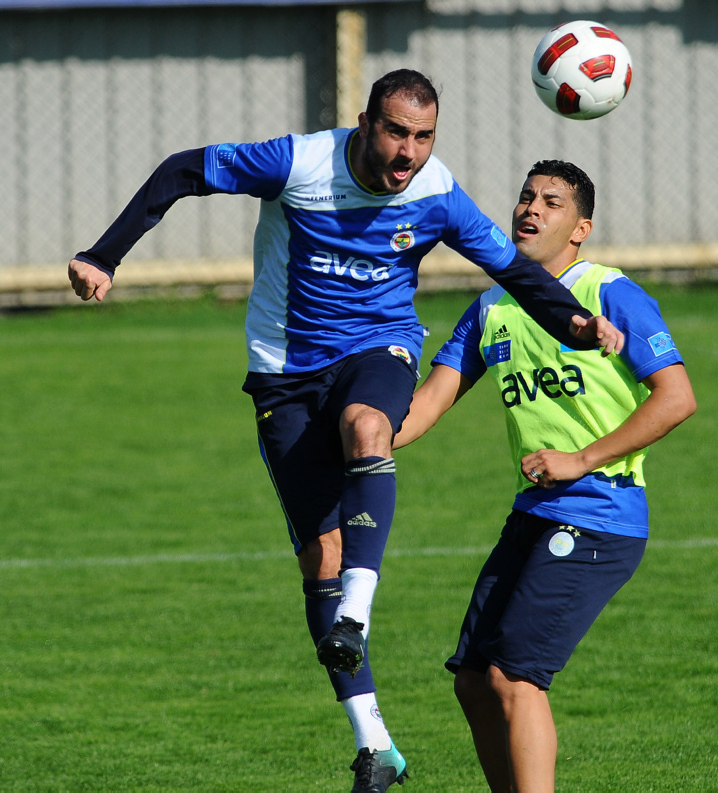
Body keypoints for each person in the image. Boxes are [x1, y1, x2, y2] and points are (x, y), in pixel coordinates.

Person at [66, 71, 622, 792]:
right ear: (364, 123)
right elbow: (182, 170)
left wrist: (572, 321)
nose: (407, 153)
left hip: (378, 349)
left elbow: (512, 269)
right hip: (283, 372)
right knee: (318, 561)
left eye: (423, 137)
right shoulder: (297, 163)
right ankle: (376, 745)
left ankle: (355, 614)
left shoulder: (436, 192)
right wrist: (104, 254)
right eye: (395, 132)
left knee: (370, 428)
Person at [393, 159, 696, 792]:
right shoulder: (492, 307)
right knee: (474, 681)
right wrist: (361, 440)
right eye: (526, 197)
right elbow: (427, 404)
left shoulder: (608, 293)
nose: (531, 209)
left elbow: (676, 398)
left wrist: (582, 458)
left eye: (552, 203)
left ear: (581, 227)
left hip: (599, 517)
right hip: (534, 514)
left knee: (515, 677)